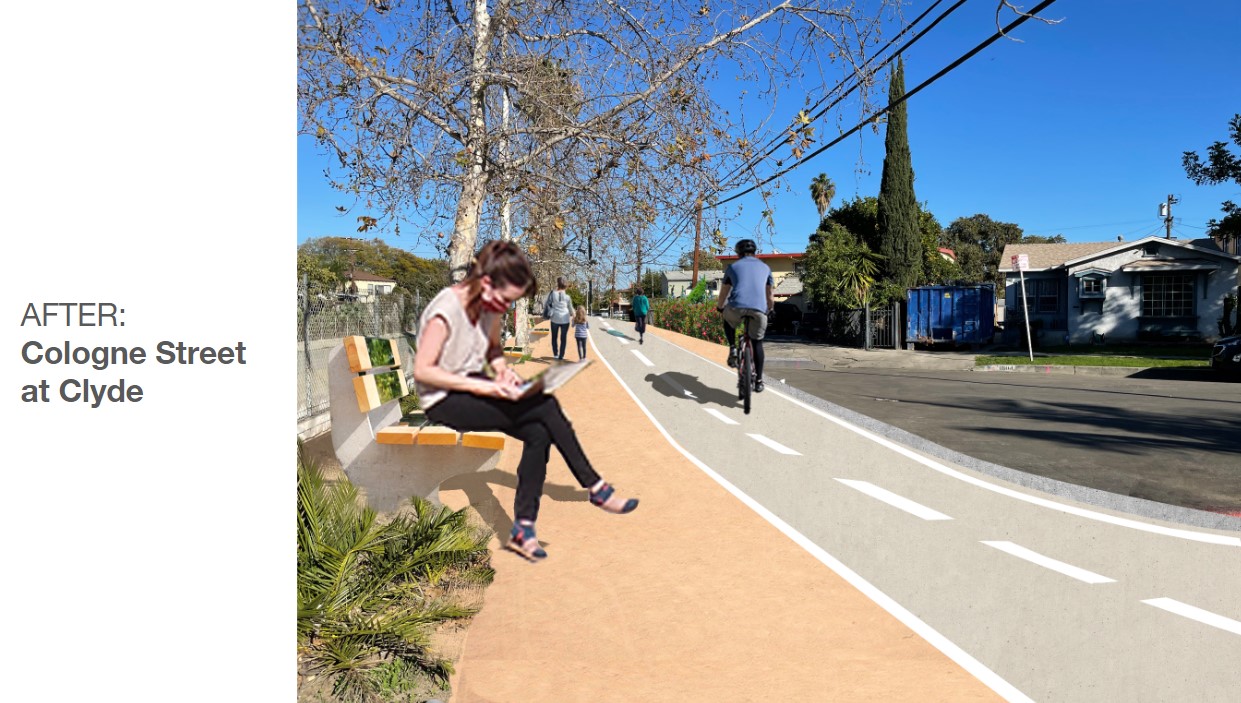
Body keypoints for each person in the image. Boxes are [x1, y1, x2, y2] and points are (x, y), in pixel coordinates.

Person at [413, 241, 638, 562]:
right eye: (506, 299)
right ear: (486, 281)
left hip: (474, 387)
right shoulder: (446, 309)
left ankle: (523, 527)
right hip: (443, 399)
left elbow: (492, 353)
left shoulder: (488, 306)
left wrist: (503, 374)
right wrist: (487, 389)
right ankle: (596, 488)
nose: (505, 307)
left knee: (538, 431)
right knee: (545, 408)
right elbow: (424, 371)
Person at [715, 239, 774, 393]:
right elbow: (770, 294)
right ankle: (759, 381)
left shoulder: (732, 267)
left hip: (736, 308)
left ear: (738, 252)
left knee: (727, 319)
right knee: (757, 344)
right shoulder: (766, 268)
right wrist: (770, 309)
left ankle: (733, 348)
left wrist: (720, 307)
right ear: (754, 252)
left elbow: (724, 292)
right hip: (759, 310)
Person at [544, 277, 572, 361]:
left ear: (558, 284)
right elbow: (570, 309)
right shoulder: (567, 297)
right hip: (565, 319)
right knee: (563, 338)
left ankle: (555, 354)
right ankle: (561, 355)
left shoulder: (553, 294)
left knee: (554, 337)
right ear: (566, 286)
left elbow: (548, 304)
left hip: (555, 318)